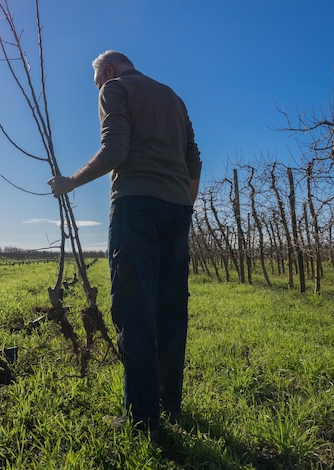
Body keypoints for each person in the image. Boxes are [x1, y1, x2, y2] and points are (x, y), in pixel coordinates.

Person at [47, 50, 201, 440]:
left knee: (134, 310)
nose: (99, 88)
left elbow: (116, 150)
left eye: (98, 81)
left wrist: (70, 182)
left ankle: (143, 420)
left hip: (136, 208)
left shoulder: (114, 88)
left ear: (109, 70)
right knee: (171, 308)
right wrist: (184, 202)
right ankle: (170, 403)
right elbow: (194, 160)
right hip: (177, 209)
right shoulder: (172, 97)